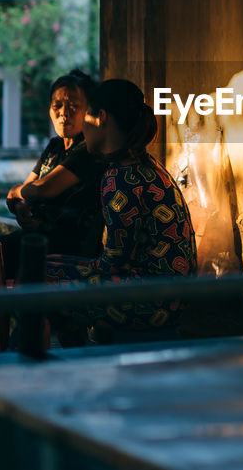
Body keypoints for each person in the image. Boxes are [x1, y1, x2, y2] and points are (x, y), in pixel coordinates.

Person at [46, 78, 198, 343]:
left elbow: (115, 263)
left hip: (153, 301)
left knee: (38, 279)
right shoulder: (141, 163)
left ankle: (73, 360)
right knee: (46, 266)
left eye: (87, 115)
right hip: (170, 293)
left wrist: (60, 269)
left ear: (101, 118)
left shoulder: (121, 179)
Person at [1, 70, 105, 274]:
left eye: (74, 106)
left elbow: (41, 189)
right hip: (38, 238)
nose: (64, 113)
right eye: (57, 106)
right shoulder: (54, 147)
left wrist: (15, 192)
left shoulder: (88, 150)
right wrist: (20, 207)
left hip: (69, 248)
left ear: (88, 110)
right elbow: (28, 189)